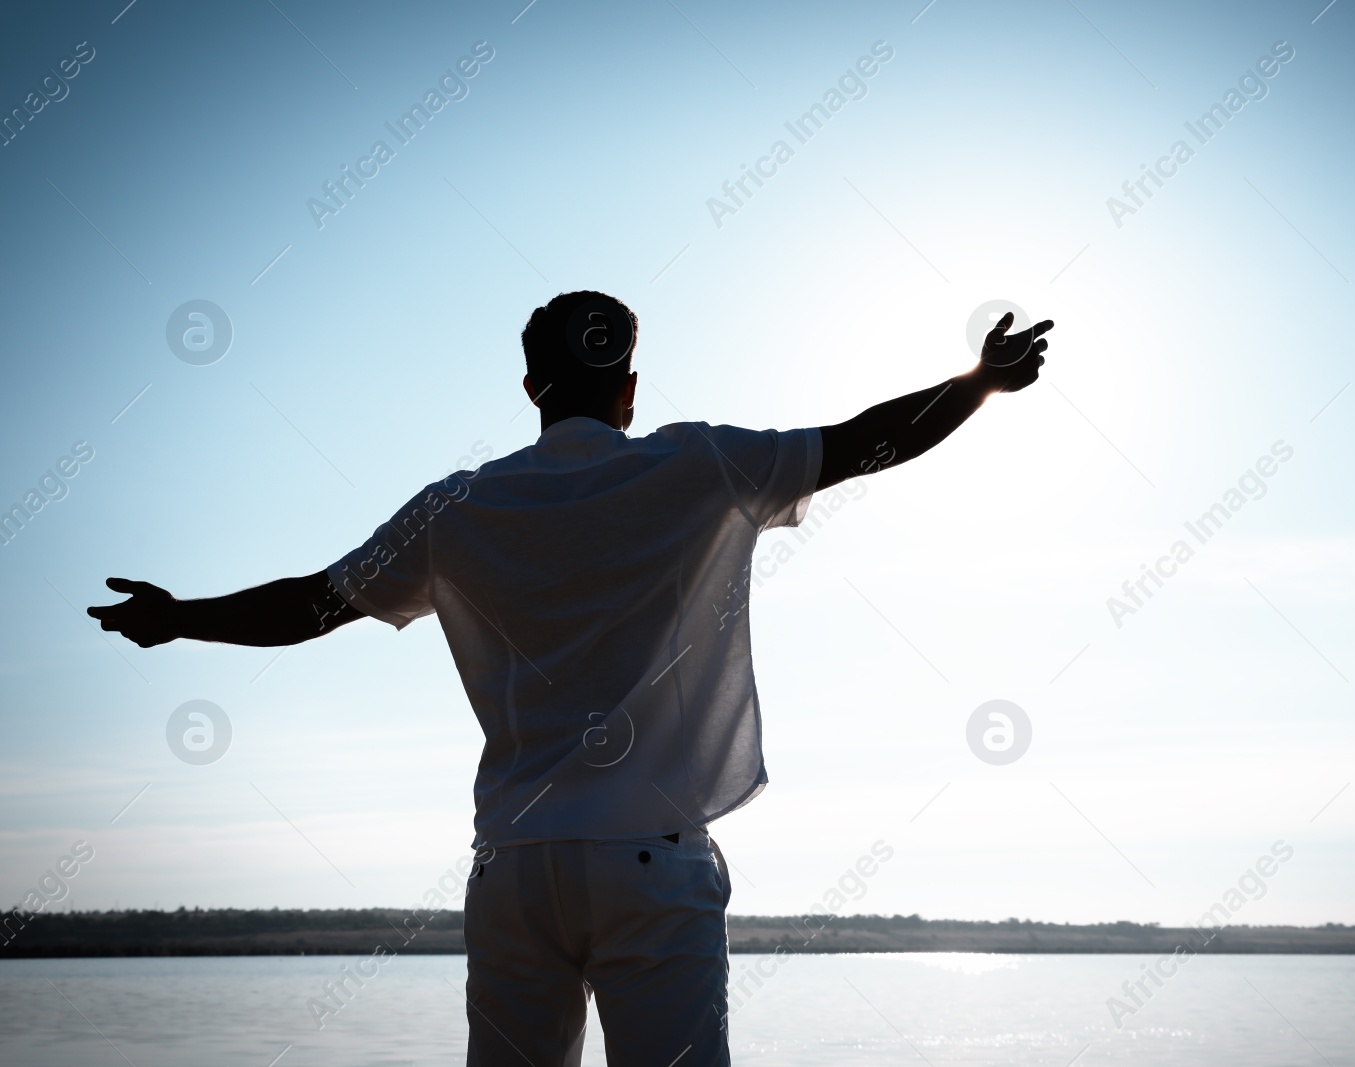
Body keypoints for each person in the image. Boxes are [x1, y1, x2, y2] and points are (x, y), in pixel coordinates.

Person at [88, 291, 1052, 1066]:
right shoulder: (703, 463)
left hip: (516, 868)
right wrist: (981, 382)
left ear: (530, 385)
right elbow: (864, 440)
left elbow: (311, 604)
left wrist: (178, 618)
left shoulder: (457, 508)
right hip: (651, 866)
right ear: (628, 388)